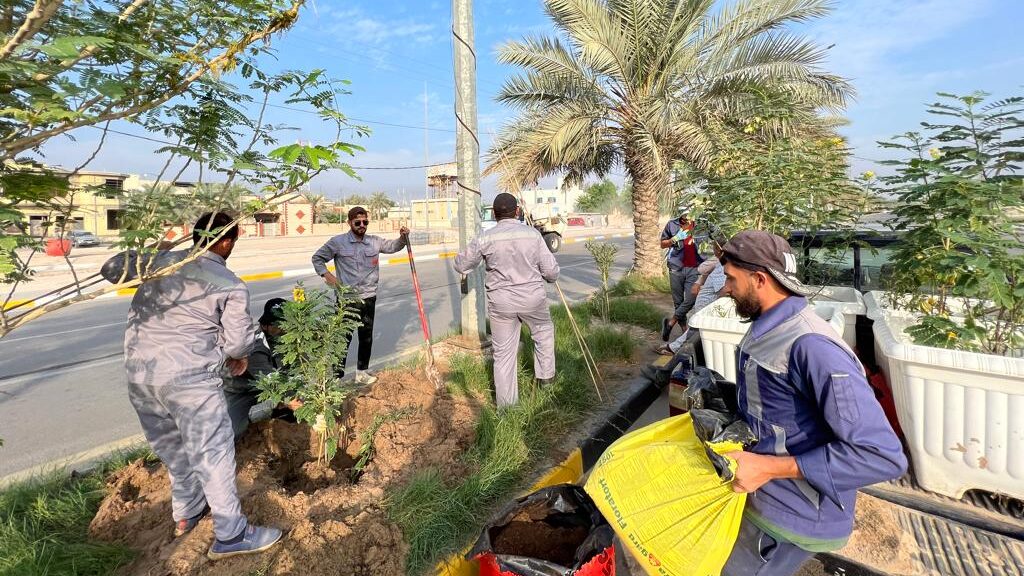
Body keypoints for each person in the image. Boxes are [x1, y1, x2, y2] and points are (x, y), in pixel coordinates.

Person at [717, 230, 907, 576]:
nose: (725, 288)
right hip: (762, 495)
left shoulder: (813, 347)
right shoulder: (770, 326)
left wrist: (765, 468)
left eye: (731, 279)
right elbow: (777, 406)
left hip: (792, 513)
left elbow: (881, 456)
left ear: (760, 279)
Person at [100, 212, 282, 560]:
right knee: (212, 454)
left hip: (141, 377)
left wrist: (157, 249)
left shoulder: (160, 262)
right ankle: (231, 535)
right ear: (227, 241)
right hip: (189, 380)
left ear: (195, 236)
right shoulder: (228, 283)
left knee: (173, 451)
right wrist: (237, 357)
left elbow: (111, 270)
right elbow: (239, 344)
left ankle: (186, 514)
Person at [453, 193, 560, 408]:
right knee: (543, 334)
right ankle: (546, 379)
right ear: (518, 212)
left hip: (501, 303)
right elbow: (550, 272)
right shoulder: (533, 235)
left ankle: (508, 407)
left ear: (494, 214)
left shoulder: (485, 237)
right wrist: (551, 275)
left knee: (503, 354)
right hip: (532, 299)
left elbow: (461, 265)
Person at [311, 206, 409, 385]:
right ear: (349, 223)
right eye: (358, 222)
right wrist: (328, 275)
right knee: (343, 339)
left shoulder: (374, 241)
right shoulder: (337, 242)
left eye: (365, 222)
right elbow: (317, 258)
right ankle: (336, 378)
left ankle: (362, 372)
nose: (362, 225)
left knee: (366, 337)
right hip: (347, 300)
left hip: (369, 297)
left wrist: (402, 238)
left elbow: (393, 246)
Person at [223, 297, 300, 438]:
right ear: (265, 326)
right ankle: (257, 417)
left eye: (288, 322)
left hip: (268, 384)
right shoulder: (255, 347)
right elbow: (273, 382)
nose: (285, 328)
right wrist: (292, 401)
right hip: (242, 392)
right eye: (279, 324)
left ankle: (277, 413)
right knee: (233, 431)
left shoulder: (287, 339)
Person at [656, 238, 727, 356]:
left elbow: (722, 291)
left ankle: (673, 342)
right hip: (681, 273)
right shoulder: (721, 262)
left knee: (696, 327)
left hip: (709, 305)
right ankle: (674, 335)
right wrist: (699, 281)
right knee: (693, 323)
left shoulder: (725, 264)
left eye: (715, 248)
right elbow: (704, 270)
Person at [660, 204, 704, 341]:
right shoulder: (671, 225)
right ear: (681, 215)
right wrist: (674, 239)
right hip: (676, 267)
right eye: (685, 215)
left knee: (691, 298)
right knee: (678, 301)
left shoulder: (700, 225)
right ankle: (684, 331)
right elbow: (662, 244)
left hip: (694, 267)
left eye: (690, 215)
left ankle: (671, 322)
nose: (687, 218)